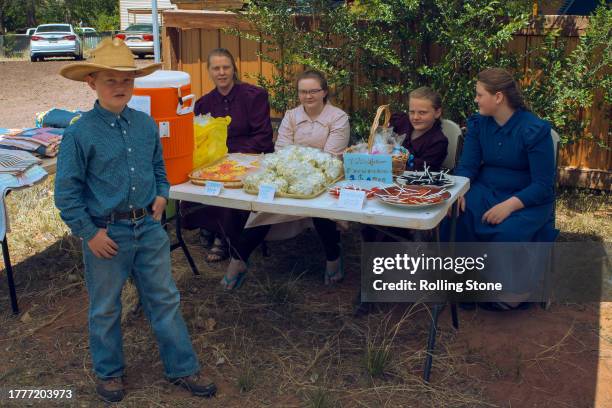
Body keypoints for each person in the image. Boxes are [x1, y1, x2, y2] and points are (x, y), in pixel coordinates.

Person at [55, 38, 216, 403]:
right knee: (106, 306)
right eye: (110, 80)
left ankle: (182, 368)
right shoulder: (79, 133)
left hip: (148, 227)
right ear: (91, 83)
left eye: (126, 80)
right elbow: (66, 194)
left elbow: (159, 168)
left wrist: (162, 194)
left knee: (164, 299)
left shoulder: (145, 124)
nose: (120, 87)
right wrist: (89, 233)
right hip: (106, 233)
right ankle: (109, 373)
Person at [221, 70, 350, 290]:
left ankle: (333, 259)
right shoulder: (292, 116)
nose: (308, 96)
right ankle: (238, 261)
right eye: (303, 92)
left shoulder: (338, 118)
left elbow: (331, 157)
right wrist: (292, 172)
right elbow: (281, 150)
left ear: (324, 92)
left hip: (325, 179)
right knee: (264, 210)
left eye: (313, 91)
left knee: (322, 211)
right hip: (289, 178)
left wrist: (300, 166)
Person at [449, 67, 556, 311]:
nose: (475, 100)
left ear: (498, 97)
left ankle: (511, 291)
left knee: (506, 232)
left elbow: (543, 184)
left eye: (479, 94)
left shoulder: (534, 129)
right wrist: (460, 191)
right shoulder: (478, 124)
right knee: (456, 216)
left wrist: (509, 206)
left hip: (526, 197)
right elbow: (468, 165)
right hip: (486, 188)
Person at [183, 48, 274, 262]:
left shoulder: (254, 96)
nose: (221, 72)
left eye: (226, 67)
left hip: (250, 158)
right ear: (209, 72)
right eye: (216, 68)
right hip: (215, 162)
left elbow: (263, 137)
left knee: (231, 184)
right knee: (198, 180)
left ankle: (222, 238)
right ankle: (209, 226)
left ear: (234, 69)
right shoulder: (203, 104)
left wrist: (232, 155)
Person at [389, 86, 449, 172]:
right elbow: (383, 137)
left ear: (437, 113)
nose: (415, 117)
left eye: (422, 112)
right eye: (412, 112)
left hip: (415, 183)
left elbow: (420, 171)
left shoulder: (438, 142)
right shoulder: (401, 122)